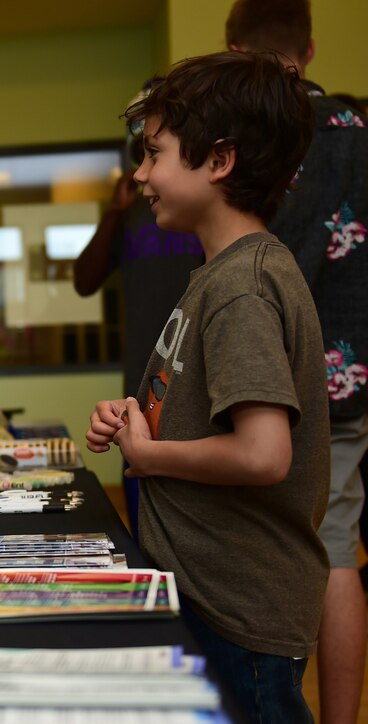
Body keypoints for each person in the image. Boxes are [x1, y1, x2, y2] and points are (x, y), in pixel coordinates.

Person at [86, 51, 327, 722]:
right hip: (211, 595)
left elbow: (261, 454)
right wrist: (139, 417)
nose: (141, 174)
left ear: (218, 161)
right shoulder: (218, 277)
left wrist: (150, 455)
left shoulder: (240, 289)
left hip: (238, 610)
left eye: (154, 154)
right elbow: (206, 411)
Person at [226, 3, 368, 722]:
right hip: (345, 369)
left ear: (231, 46)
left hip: (256, 370)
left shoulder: (241, 129)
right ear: (310, 48)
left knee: (260, 552)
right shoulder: (355, 131)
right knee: (337, 551)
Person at [73, 90, 203, 538]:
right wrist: (113, 212)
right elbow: (84, 281)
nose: (145, 169)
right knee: (147, 531)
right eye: (142, 149)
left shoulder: (202, 210)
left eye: (155, 150)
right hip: (143, 392)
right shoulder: (133, 208)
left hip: (202, 388)